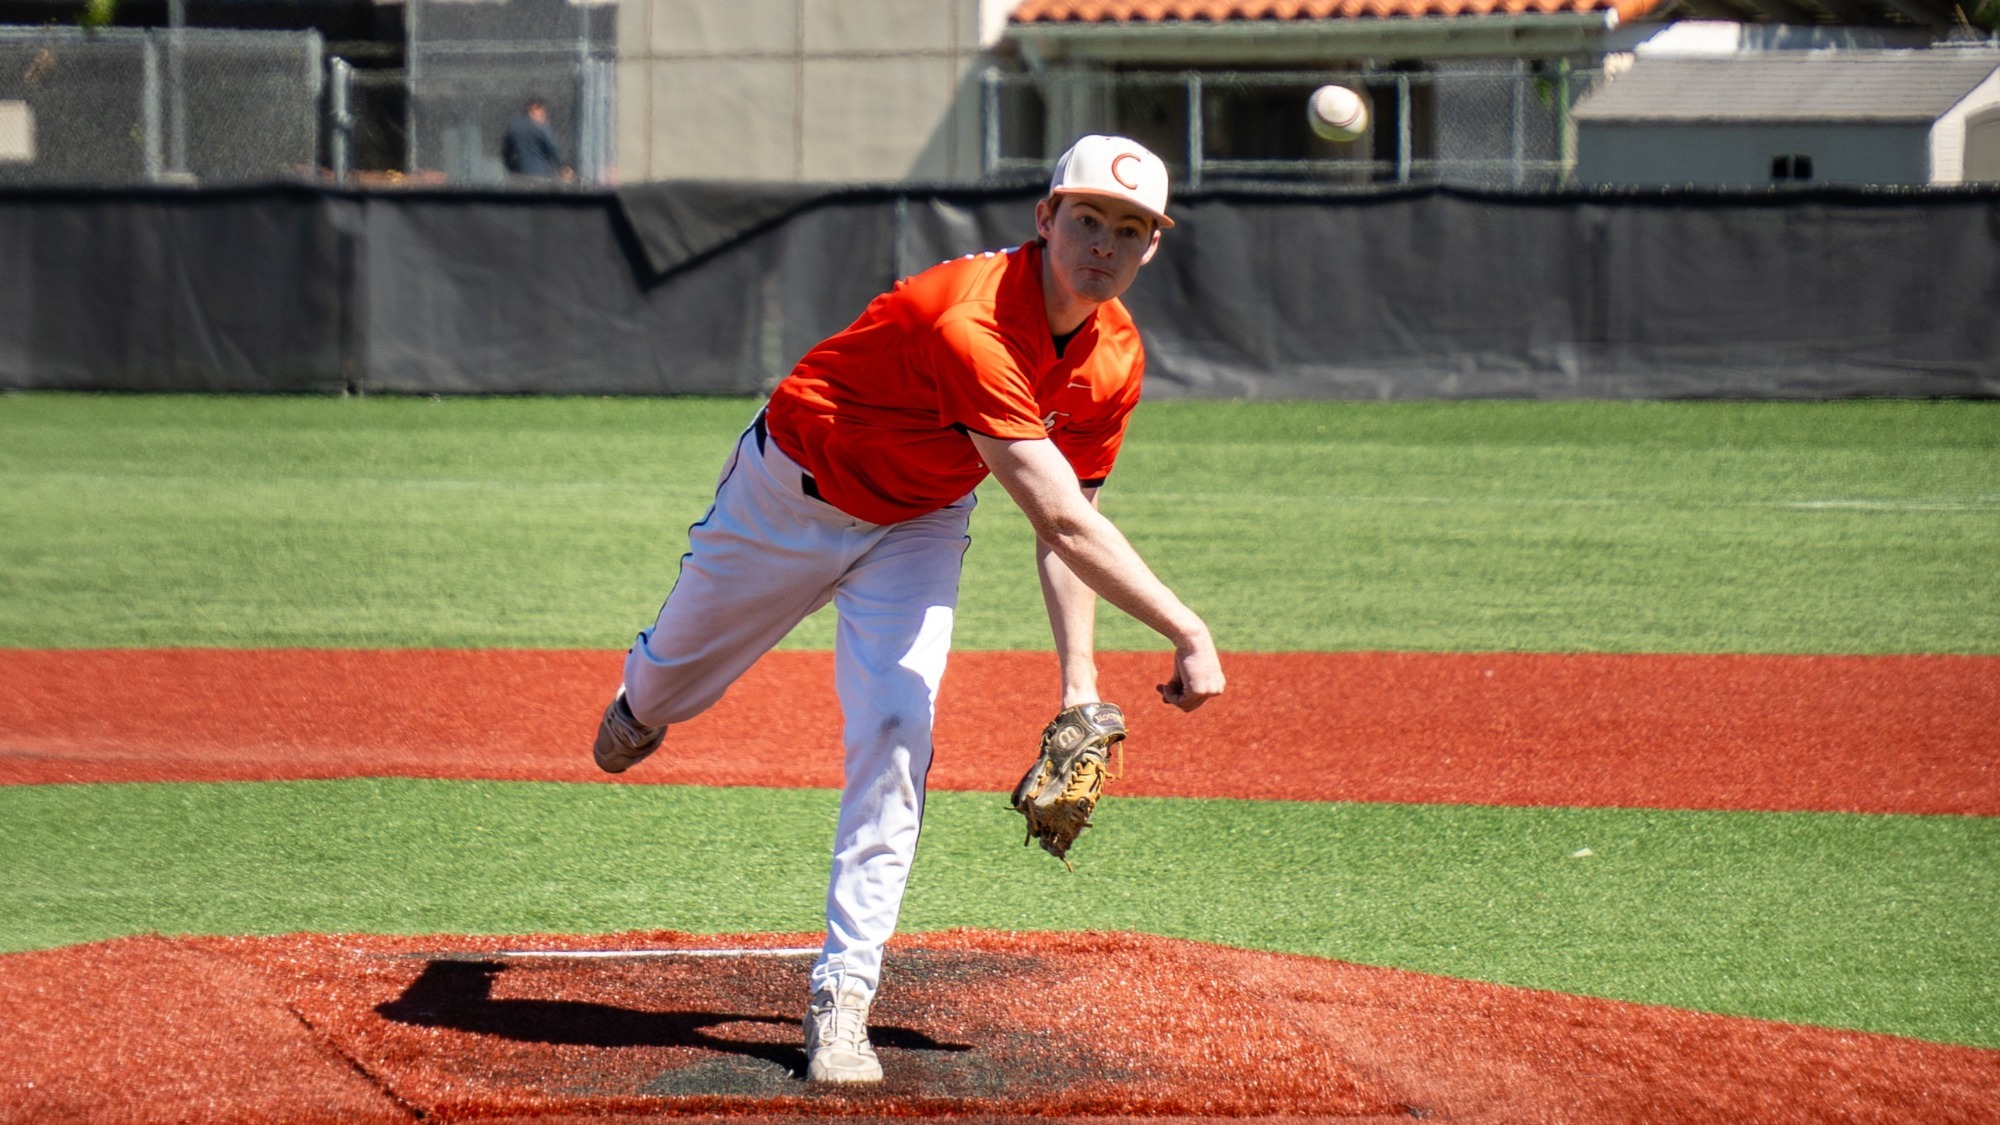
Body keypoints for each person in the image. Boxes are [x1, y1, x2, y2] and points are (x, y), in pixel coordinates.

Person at [592, 134, 1225, 1085]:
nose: (1105, 241)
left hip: (919, 523)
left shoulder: (1114, 357)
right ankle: (645, 698)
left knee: (897, 725)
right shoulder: (969, 322)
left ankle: (842, 998)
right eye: (1087, 217)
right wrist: (1189, 627)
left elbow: (1073, 524)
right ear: (1045, 218)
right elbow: (1052, 509)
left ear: (1151, 248)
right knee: (666, 688)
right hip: (788, 495)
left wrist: (1079, 688)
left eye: (1129, 228)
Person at [501, 97, 569, 180]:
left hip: (520, 176)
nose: (544, 115)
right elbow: (553, 146)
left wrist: (511, 168)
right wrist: (562, 167)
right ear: (534, 109)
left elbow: (506, 152)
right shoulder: (539, 125)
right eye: (543, 111)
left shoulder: (513, 125)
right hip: (541, 175)